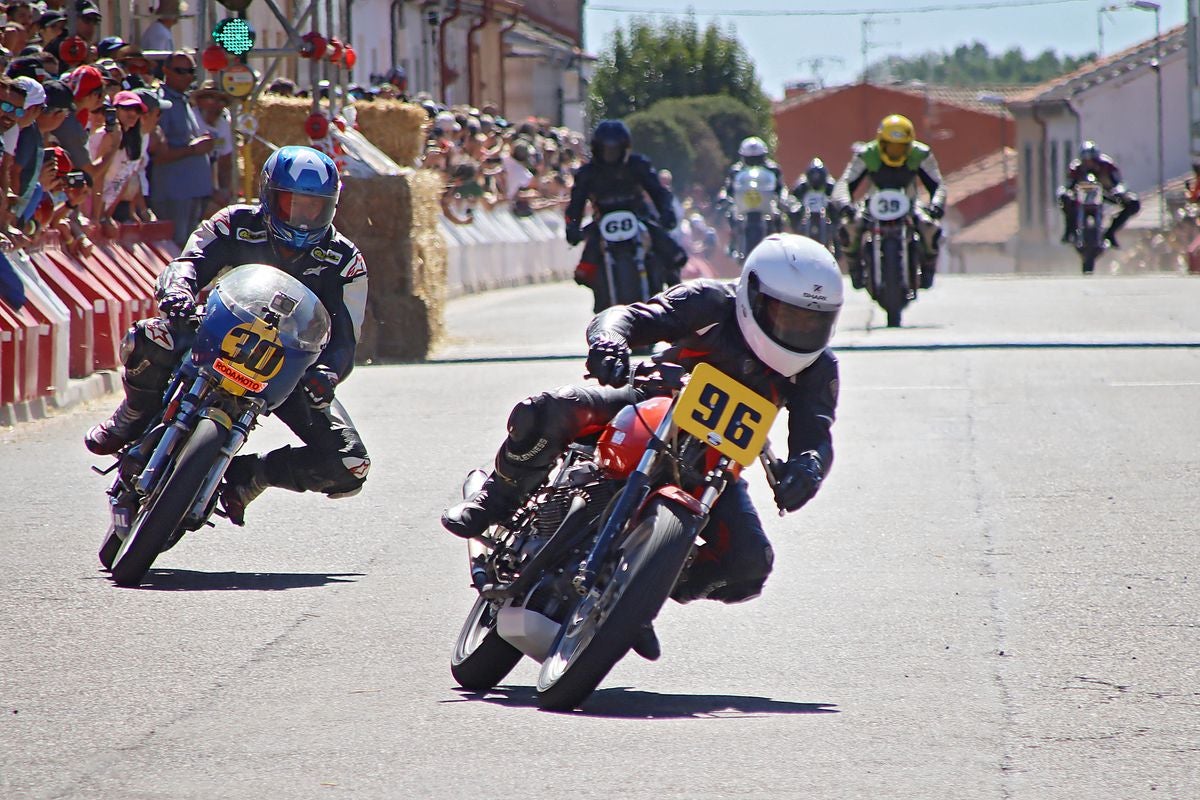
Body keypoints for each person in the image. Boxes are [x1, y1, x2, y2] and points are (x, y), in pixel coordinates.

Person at [441, 233, 840, 658]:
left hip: (714, 469)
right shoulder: (709, 302)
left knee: (750, 565)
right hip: (646, 404)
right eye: (786, 315)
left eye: (811, 322)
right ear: (753, 295)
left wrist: (808, 468)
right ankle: (497, 497)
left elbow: (816, 433)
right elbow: (630, 316)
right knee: (544, 410)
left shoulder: (817, 369)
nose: (797, 329)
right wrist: (610, 340)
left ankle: (636, 594)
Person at [84, 146, 371, 525]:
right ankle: (132, 414)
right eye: (292, 204)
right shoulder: (233, 222)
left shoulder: (345, 261)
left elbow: (346, 341)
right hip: (213, 335)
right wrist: (178, 293)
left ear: (330, 207)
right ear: (269, 196)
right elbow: (188, 263)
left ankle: (250, 476)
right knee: (149, 338)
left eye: (313, 207)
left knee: (350, 465)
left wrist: (328, 374)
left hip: (286, 369)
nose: (302, 218)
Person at [564, 119, 688, 310]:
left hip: (638, 215)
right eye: (606, 149)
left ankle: (680, 308)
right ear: (597, 149)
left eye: (615, 149)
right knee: (584, 269)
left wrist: (667, 213)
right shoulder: (587, 173)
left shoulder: (638, 165)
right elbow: (576, 204)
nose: (610, 154)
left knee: (674, 255)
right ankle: (602, 310)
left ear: (625, 149)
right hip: (602, 222)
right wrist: (572, 227)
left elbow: (659, 192)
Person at [832, 114, 946, 290]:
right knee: (849, 227)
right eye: (890, 146)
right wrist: (845, 205)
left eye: (901, 147)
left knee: (930, 227)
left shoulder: (921, 154)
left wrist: (937, 204)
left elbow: (938, 184)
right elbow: (844, 183)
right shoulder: (867, 154)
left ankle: (928, 269)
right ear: (880, 142)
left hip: (909, 203)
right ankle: (855, 269)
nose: (895, 151)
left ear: (909, 145)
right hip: (872, 202)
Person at [149, 50, 215, 247]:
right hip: (174, 193)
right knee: (177, 249)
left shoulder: (183, 100)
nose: (187, 76)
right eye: (181, 71)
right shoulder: (163, 103)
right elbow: (158, 155)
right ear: (166, 70)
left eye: (191, 72)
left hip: (194, 191)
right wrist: (194, 150)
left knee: (192, 248)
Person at [1056, 141, 1141, 249]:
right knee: (1064, 199)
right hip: (1081, 197)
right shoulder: (1076, 168)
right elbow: (1068, 186)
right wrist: (1066, 194)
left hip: (1105, 194)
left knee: (1133, 203)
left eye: (1092, 161)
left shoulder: (1108, 166)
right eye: (1086, 161)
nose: (1089, 164)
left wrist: (1120, 192)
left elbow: (1119, 183)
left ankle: (1110, 233)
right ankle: (1069, 231)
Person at [718, 136, 786, 254]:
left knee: (779, 217)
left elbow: (780, 188)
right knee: (730, 214)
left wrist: (782, 199)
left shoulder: (773, 169)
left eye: (757, 158)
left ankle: (779, 246)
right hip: (742, 205)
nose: (754, 162)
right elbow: (728, 188)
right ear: (743, 157)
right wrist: (724, 198)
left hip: (766, 204)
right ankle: (733, 242)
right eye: (750, 159)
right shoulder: (736, 170)